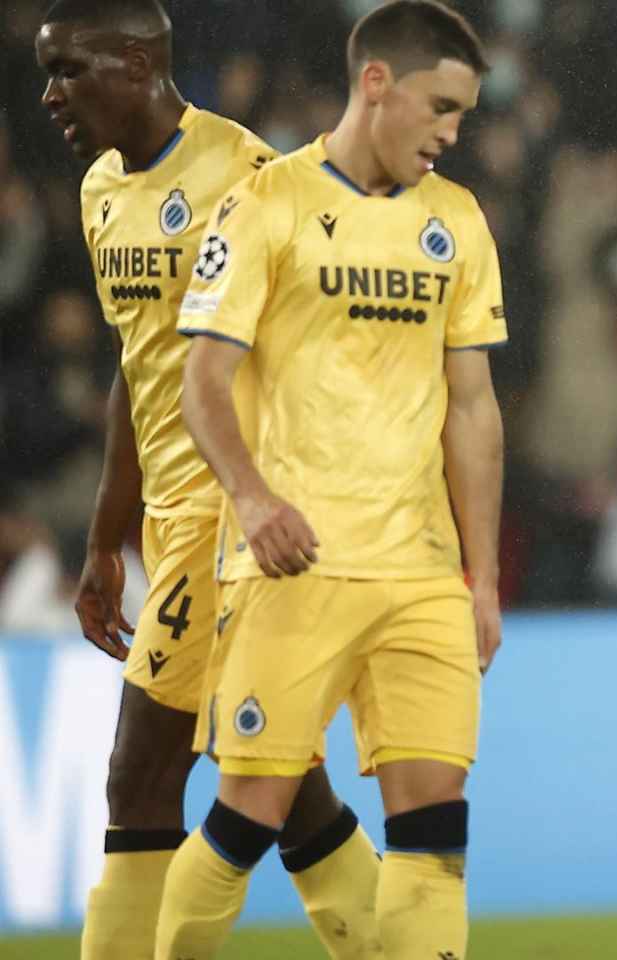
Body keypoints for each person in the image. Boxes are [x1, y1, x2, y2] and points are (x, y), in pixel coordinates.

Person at [156, 2, 507, 957]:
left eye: (466, 116)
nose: (452, 132)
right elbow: (204, 381)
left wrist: (481, 573)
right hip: (293, 565)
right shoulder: (267, 203)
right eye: (440, 106)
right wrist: (253, 498)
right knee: (245, 821)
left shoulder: (458, 222)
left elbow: (472, 408)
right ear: (376, 83)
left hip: (421, 574)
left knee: (435, 830)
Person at [35, 2, 383, 956]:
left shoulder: (248, 177)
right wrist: (107, 538)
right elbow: (139, 369)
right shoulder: (100, 190)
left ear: (138, 61)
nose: (49, 96)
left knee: (138, 775)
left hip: (238, 522)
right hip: (173, 523)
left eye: (68, 70)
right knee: (281, 782)